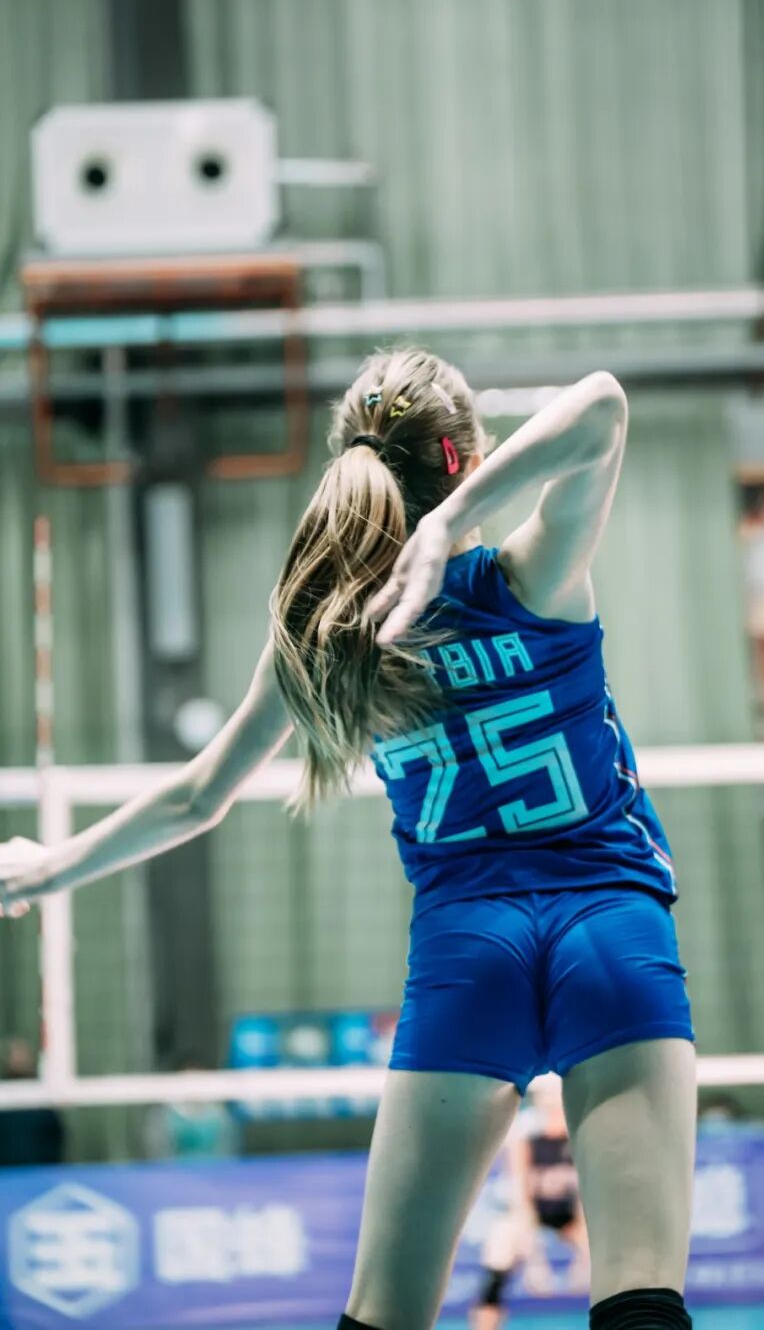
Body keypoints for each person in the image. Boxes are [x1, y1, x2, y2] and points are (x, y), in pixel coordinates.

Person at [0, 351, 697, 1330]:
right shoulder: (534, 575)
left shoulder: (339, 641)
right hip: (611, 926)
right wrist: (456, 522)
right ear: (471, 458)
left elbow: (197, 798)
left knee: (381, 1316)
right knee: (640, 1301)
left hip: (469, 953)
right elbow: (602, 407)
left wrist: (48, 867)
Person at [473, 1076, 589, 1330]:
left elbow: (585, 1201)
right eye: (546, 1099)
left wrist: (583, 1259)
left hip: (570, 1217)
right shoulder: (525, 1137)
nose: (552, 1106)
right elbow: (521, 1201)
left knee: (612, 1254)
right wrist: (536, 1261)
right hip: (530, 1215)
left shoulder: (581, 1135)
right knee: (501, 1246)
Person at [0, 1038, 65, 1167]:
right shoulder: (4, 1095)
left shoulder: (42, 1096)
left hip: (38, 1169)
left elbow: (55, 1136)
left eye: (22, 1054)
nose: (18, 1059)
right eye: (15, 1055)